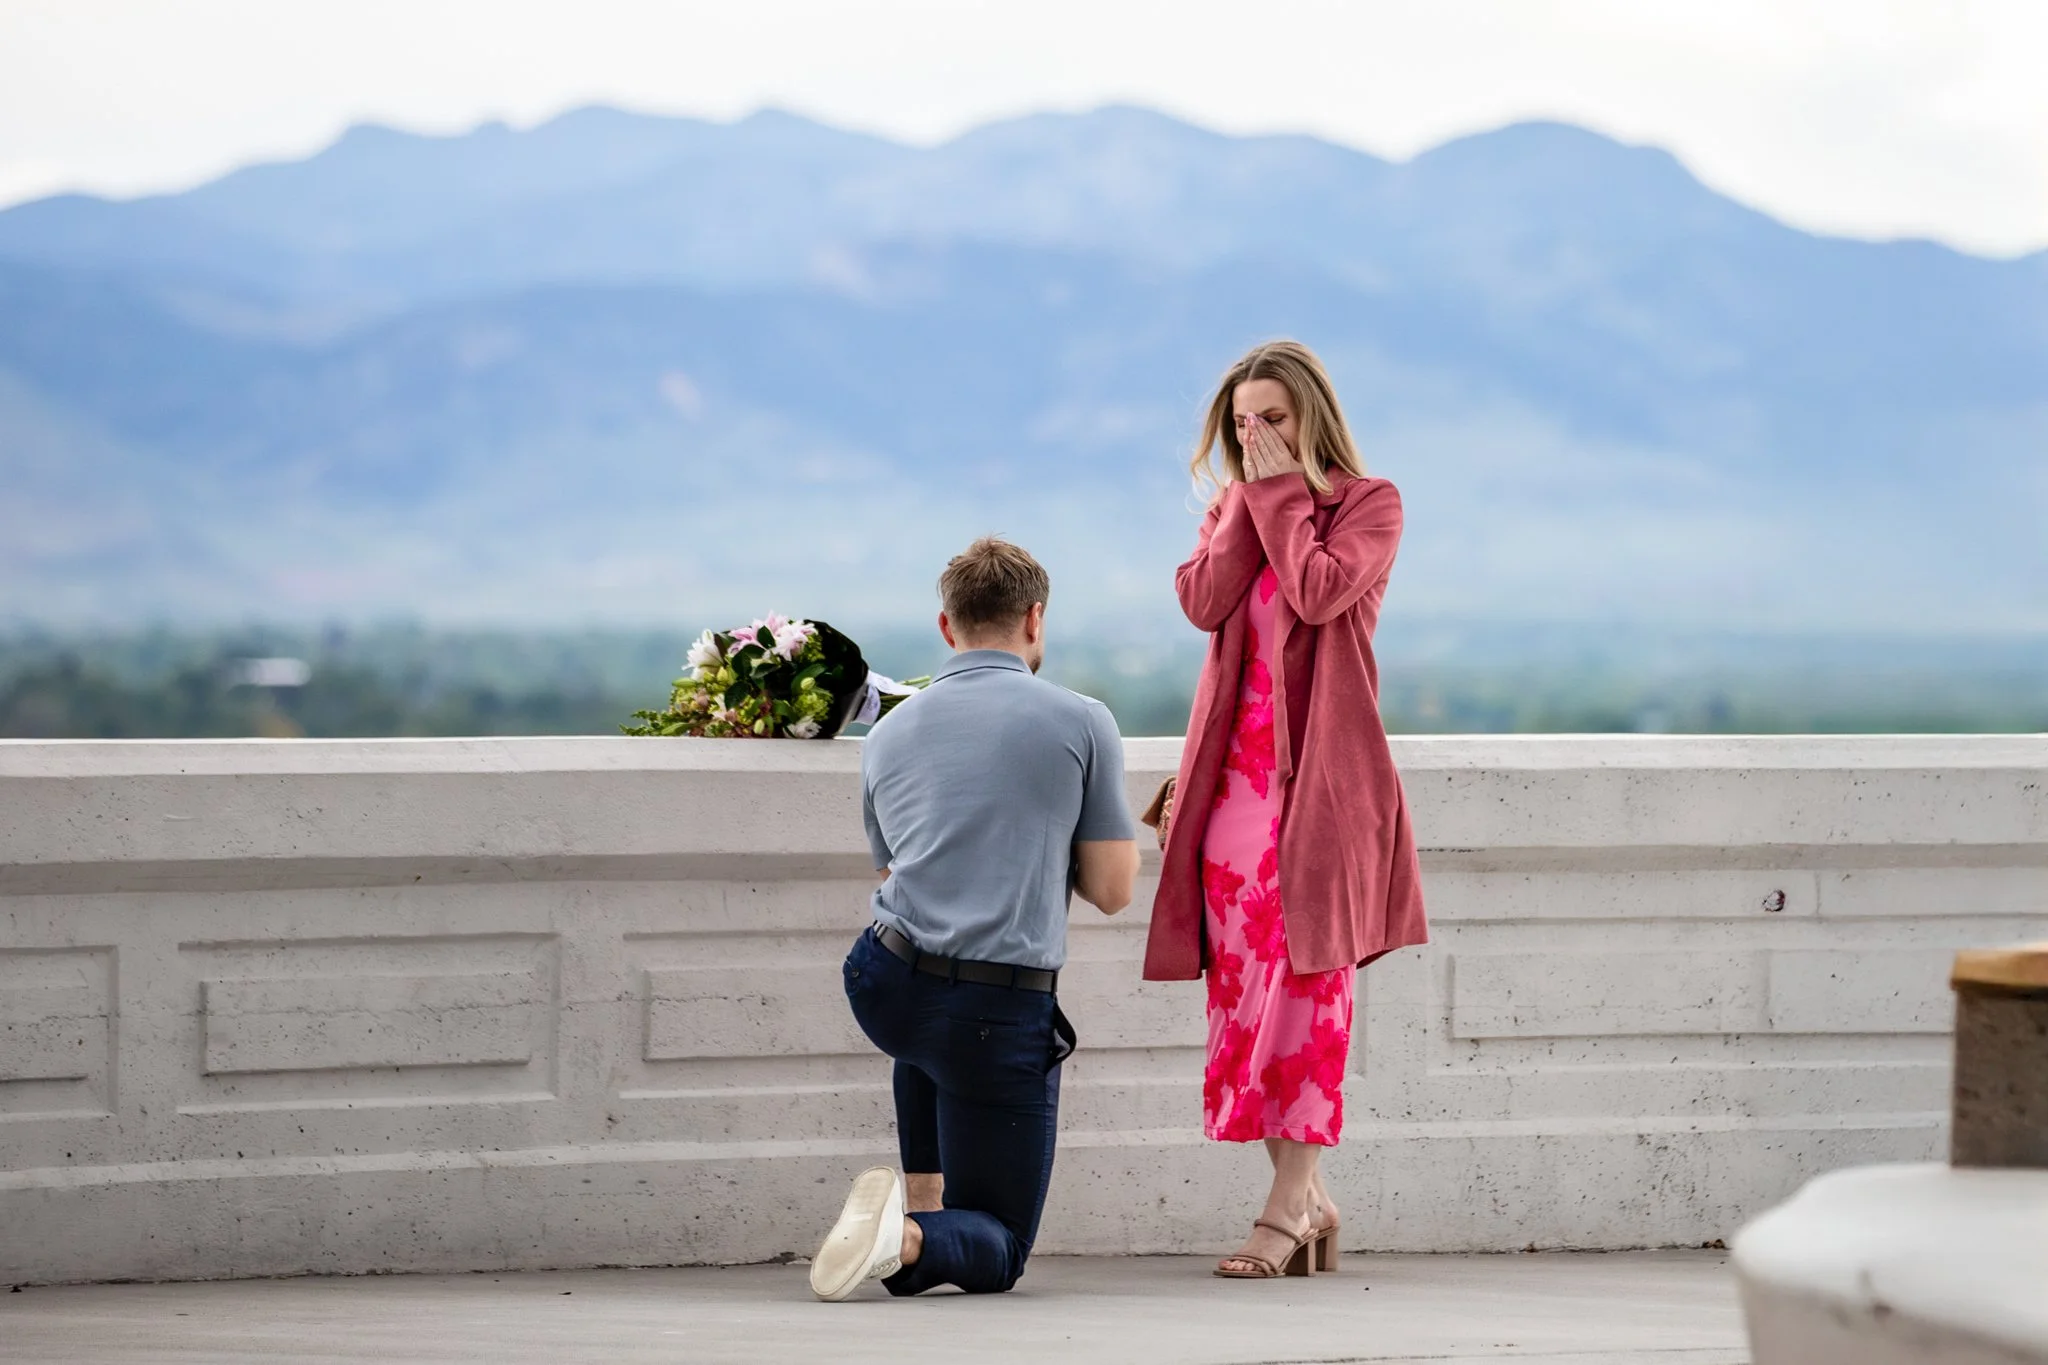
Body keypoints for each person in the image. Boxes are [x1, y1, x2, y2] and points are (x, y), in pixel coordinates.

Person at [1145, 340, 1428, 1280]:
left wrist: (1274, 498)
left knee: (1309, 991)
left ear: (1311, 415)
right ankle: (1308, 1201)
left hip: (1322, 798)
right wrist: (1246, 505)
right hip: (1232, 792)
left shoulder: (1368, 505)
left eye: (1271, 417)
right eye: (1239, 423)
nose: (1254, 436)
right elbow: (1201, 600)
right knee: (1245, 1001)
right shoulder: (1236, 507)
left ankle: (1282, 1208)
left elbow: (1314, 592)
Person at [809, 536, 1141, 1301]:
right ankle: (910, 1233)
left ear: (946, 627)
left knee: (928, 1026)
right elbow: (1113, 888)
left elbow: (897, 867)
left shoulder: (888, 732)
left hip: (883, 980)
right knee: (1001, 1241)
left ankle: (917, 1200)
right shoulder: (1082, 719)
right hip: (994, 1008)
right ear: (1035, 619)